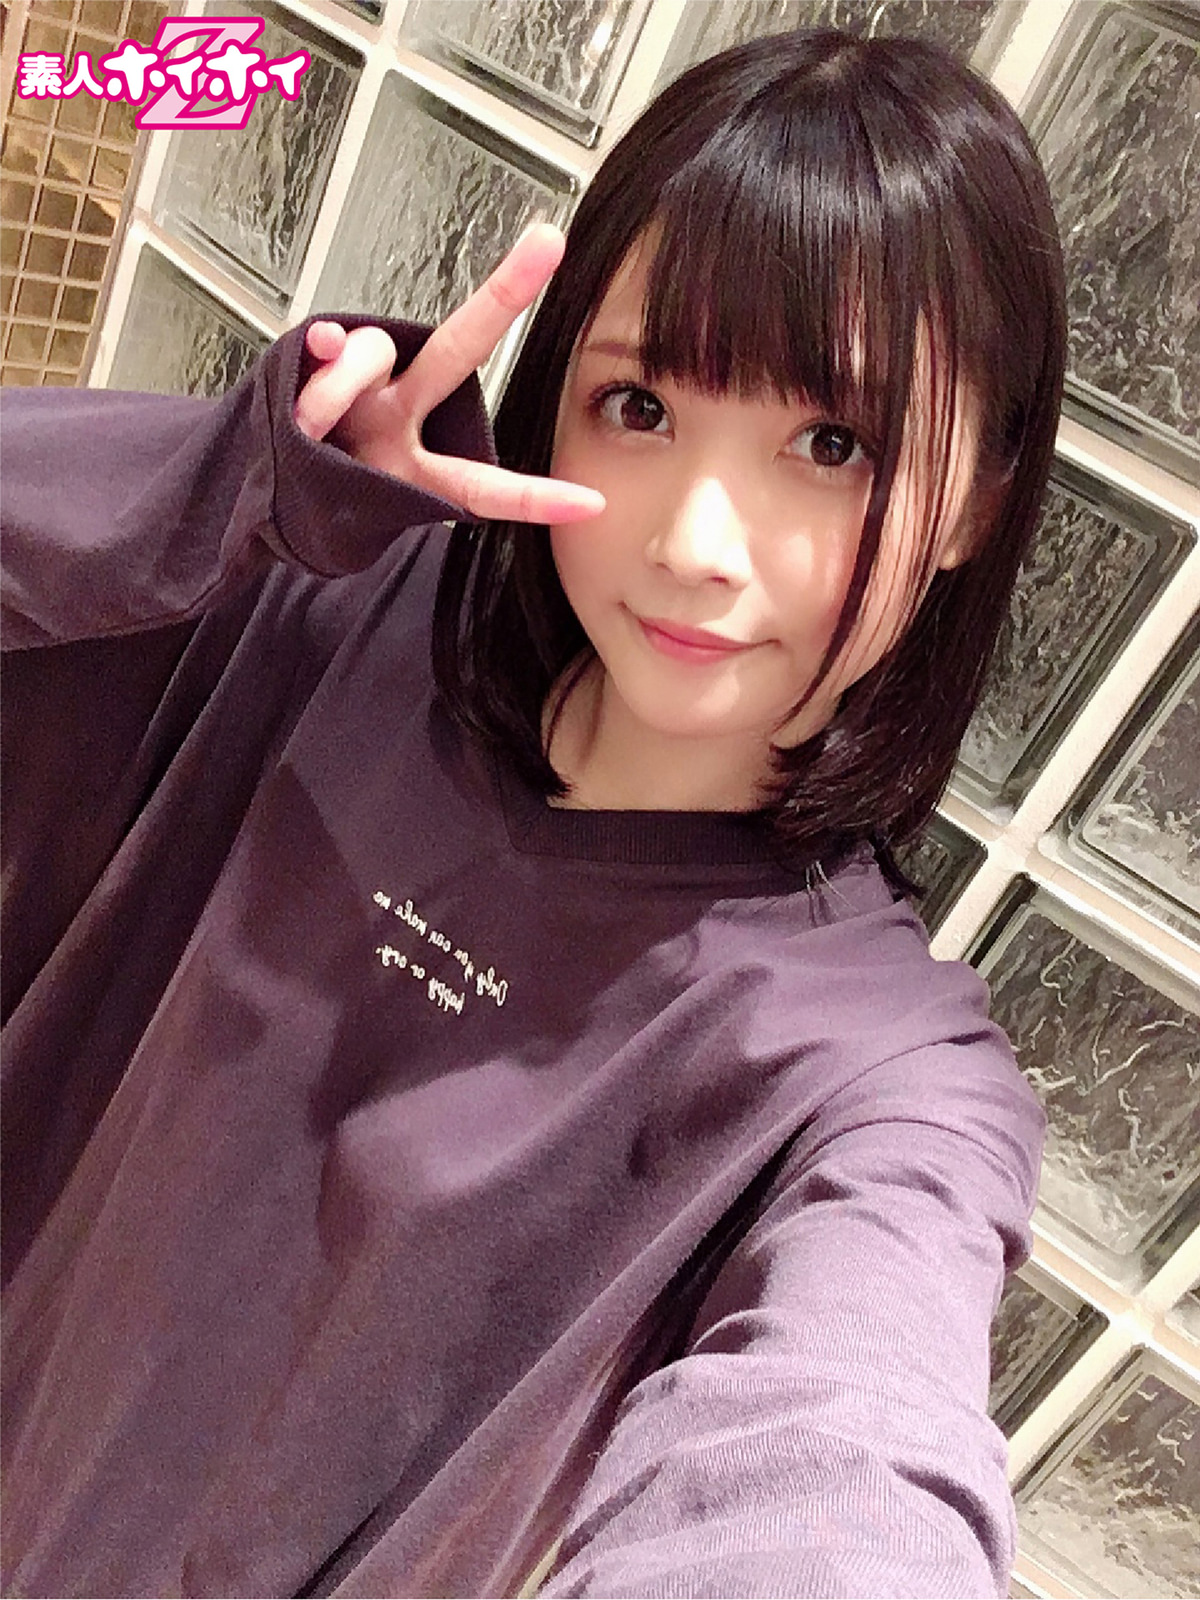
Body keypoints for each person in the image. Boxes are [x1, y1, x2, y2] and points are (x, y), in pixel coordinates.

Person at [1, 28, 1064, 1600]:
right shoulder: (329, 622)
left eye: (830, 445)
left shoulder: (870, 1073)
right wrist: (230, 494)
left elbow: (845, 1447)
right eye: (639, 406)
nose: (696, 542)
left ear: (975, 495)